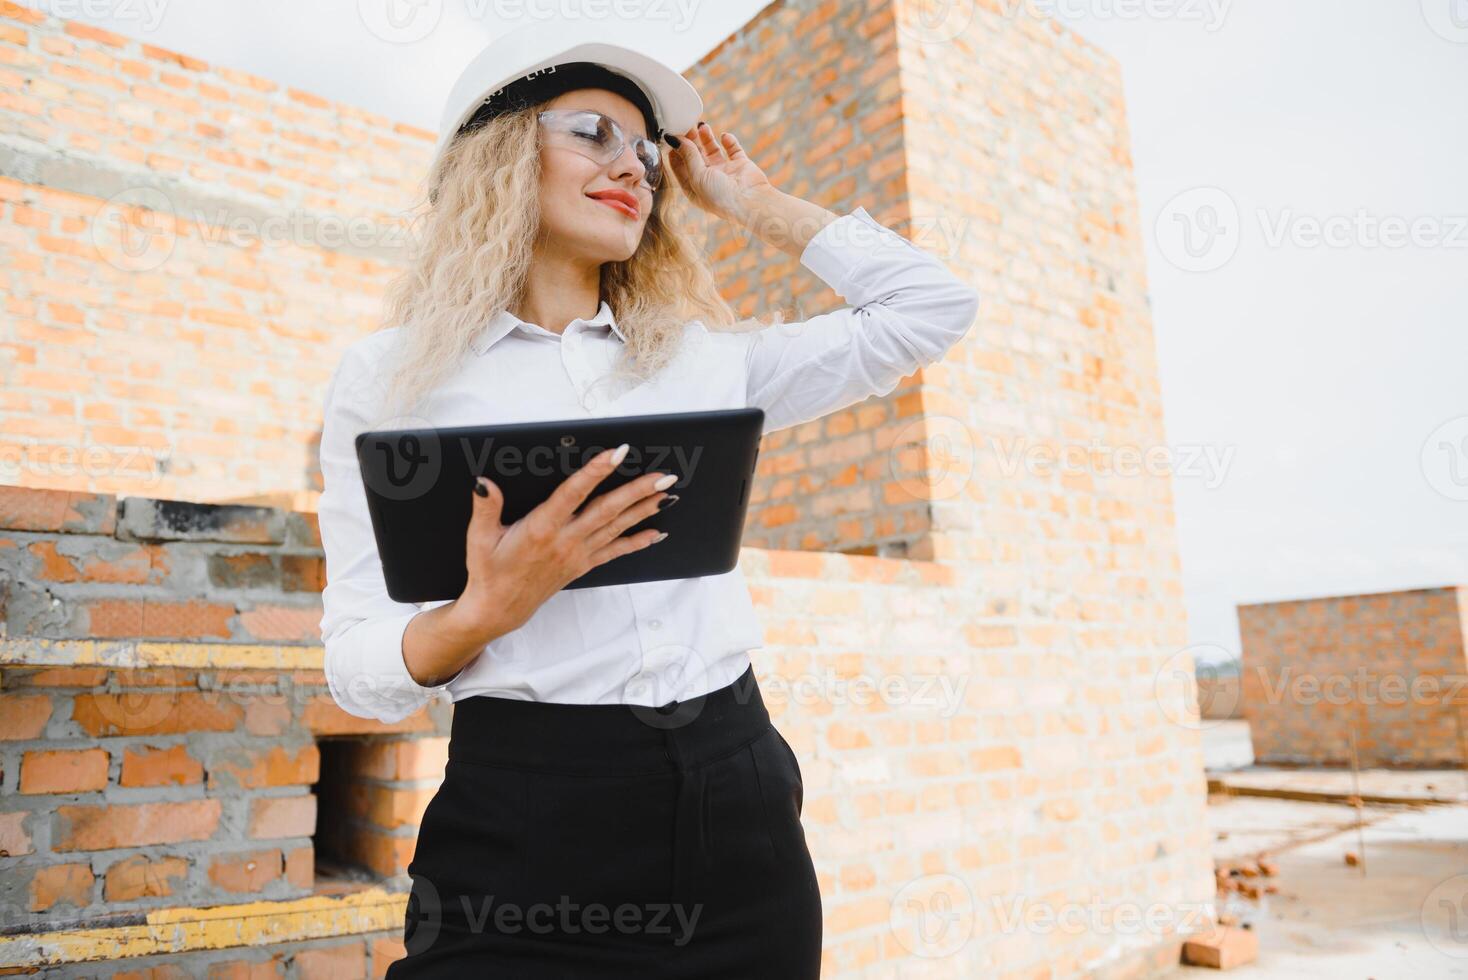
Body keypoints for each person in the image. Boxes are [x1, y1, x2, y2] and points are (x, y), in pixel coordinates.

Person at [316, 19, 981, 979]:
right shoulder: (389, 380)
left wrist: (755, 202)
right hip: (525, 817)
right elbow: (356, 667)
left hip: (735, 797)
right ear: (500, 156)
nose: (633, 164)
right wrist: (482, 614)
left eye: (645, 149)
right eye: (592, 132)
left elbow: (931, 309)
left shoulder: (703, 359)